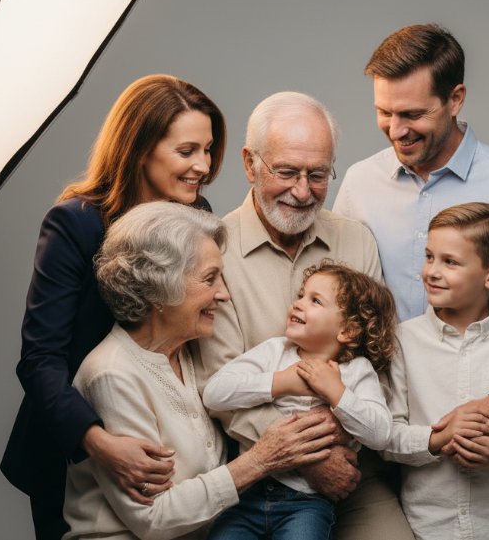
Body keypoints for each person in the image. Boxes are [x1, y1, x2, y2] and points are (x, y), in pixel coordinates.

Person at [333, 24, 489, 533]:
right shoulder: (361, 183)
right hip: (377, 434)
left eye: (413, 114)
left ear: (456, 99)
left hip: (486, 450)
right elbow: (338, 298)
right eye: (384, 112)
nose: (395, 129)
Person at [1, 74, 227, 540]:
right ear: (140, 147)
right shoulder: (75, 223)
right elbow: (40, 359)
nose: (203, 166)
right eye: (187, 152)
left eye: (208, 150)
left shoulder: (196, 213)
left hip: (159, 434)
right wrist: (98, 443)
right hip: (75, 446)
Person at [192, 92, 414, 540]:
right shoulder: (214, 248)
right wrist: (311, 458)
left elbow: (380, 359)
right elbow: (217, 387)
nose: (302, 190)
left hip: (352, 467)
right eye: (287, 172)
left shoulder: (356, 241)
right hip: (255, 474)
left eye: (318, 175)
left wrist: (340, 432)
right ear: (250, 163)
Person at [63, 202, 335, 540]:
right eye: (209, 279)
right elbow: (153, 518)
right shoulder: (112, 374)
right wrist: (260, 460)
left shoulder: (189, 352)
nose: (223, 293)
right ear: (160, 289)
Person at [384, 203, 489, 540]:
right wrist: (438, 439)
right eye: (429, 256)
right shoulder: (403, 340)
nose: (431, 271)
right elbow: (387, 436)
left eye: (450, 262)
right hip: (426, 528)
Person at [202, 262, 396, 539]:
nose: (298, 304)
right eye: (301, 295)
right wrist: (281, 382)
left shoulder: (356, 372)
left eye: (315, 300)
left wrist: (337, 394)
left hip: (306, 503)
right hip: (248, 492)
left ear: (347, 331)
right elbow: (215, 393)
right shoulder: (275, 352)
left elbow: (381, 434)